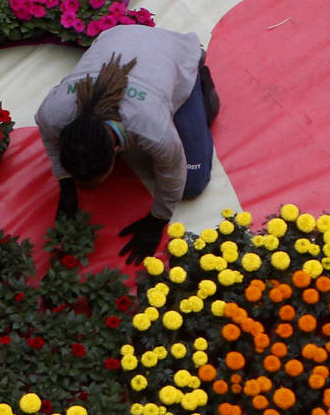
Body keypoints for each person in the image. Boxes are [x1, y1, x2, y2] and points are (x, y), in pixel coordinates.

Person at [36, 24, 222, 266]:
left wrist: (157, 220)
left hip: (176, 50)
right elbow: (52, 144)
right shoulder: (52, 113)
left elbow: (173, 170)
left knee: (192, 183)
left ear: (116, 149)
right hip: (118, 34)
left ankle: (200, 85)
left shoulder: (151, 127)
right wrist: (66, 186)